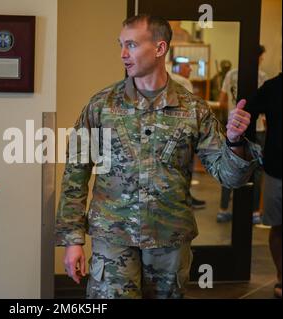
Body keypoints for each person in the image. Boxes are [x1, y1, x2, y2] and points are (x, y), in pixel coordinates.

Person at [55, 14, 261, 299]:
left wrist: (235, 142)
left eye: (132, 45)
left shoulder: (193, 109)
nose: (123, 54)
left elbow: (230, 177)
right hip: (113, 240)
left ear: (160, 48)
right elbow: (75, 173)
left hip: (169, 242)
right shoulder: (101, 106)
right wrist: (72, 240)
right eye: (121, 45)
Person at [217, 45, 268, 223]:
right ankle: (254, 213)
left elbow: (222, 100)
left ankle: (223, 209)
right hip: (257, 128)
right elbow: (266, 106)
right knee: (257, 172)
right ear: (259, 57)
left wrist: (228, 119)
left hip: (234, 127)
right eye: (261, 58)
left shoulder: (231, 74)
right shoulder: (261, 76)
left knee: (229, 164)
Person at [246, 73, 282, 298]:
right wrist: (248, 149)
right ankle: (281, 276)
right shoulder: (273, 87)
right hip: (277, 168)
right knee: (278, 226)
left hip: (274, 166)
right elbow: (248, 111)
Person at [170, 56, 206, 209]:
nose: (190, 69)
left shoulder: (165, 79)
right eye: (187, 66)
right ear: (177, 68)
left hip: (167, 133)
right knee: (185, 167)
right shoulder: (184, 82)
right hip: (183, 132)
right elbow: (190, 109)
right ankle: (185, 199)